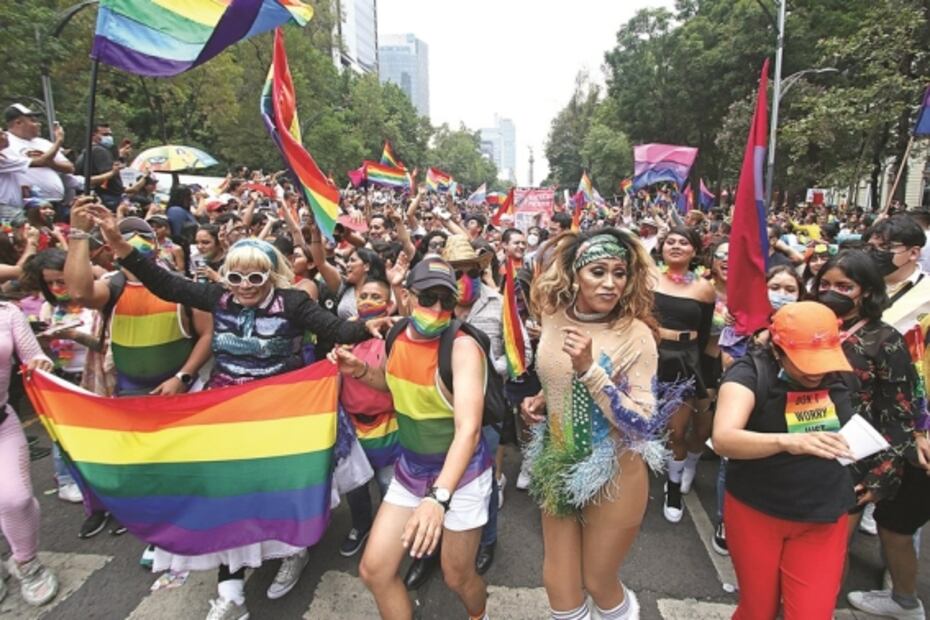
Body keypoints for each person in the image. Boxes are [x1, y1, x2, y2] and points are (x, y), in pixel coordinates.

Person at [87, 202, 392, 619]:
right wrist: (120, 244)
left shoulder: (292, 303)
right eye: (235, 277)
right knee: (225, 499)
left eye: (255, 277)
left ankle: (293, 553)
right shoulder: (219, 297)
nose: (245, 286)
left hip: (284, 415)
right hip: (230, 416)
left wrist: (365, 327)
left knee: (285, 496)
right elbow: (163, 283)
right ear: (225, 278)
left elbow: (336, 328)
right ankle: (231, 595)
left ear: (270, 276)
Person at [521, 229, 674, 620]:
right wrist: (544, 398)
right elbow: (556, 374)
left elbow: (641, 422)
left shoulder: (636, 334)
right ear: (574, 275)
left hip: (615, 473)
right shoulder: (553, 315)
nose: (610, 283)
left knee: (599, 581)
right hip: (558, 461)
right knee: (559, 585)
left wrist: (591, 370)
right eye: (598, 272)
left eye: (619, 273)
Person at [332, 256, 493, 620]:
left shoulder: (463, 348)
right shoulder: (394, 334)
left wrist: (438, 500)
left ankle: (478, 614)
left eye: (447, 301)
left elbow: (468, 429)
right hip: (411, 471)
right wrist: (359, 369)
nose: (437, 309)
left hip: (462, 478)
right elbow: (393, 386)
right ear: (407, 295)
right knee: (374, 571)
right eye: (428, 297)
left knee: (458, 577)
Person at [713, 301, 857, 620]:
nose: (815, 372)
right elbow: (724, 437)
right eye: (804, 361)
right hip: (757, 510)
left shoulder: (841, 376)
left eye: (823, 361)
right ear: (778, 349)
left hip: (823, 515)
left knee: (812, 614)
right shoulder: (749, 372)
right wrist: (787, 442)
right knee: (758, 610)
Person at [846, 216, 930, 619]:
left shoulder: (927, 295)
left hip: (908, 420)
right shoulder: (861, 285)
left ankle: (901, 596)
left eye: (887, 245)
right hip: (858, 417)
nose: (877, 251)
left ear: (914, 252)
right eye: (872, 242)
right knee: (848, 502)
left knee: (898, 517)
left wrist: (920, 426)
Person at [813, 251, 919, 542]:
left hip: (850, 459)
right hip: (799, 447)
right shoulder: (807, 326)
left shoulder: (885, 340)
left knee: (829, 550)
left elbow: (899, 412)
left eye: (844, 287)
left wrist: (882, 474)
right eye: (825, 284)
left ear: (868, 291)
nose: (831, 293)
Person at [0, 301, 59, 606]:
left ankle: (27, 563)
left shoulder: (7, 312)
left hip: (3, 424)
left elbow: (33, 354)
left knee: (15, 498)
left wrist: (40, 363)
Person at [654, 226, 715, 522]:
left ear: (694, 251)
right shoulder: (647, 279)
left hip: (683, 362)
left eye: (683, 242)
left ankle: (674, 485)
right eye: (670, 241)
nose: (676, 246)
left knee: (677, 430)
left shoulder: (704, 288)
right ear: (662, 247)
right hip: (649, 358)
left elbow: (703, 336)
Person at [339, 276, 400, 559]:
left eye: (376, 297)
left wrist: (358, 367)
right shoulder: (345, 332)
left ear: (389, 304)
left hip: (387, 426)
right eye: (363, 295)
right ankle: (362, 526)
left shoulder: (394, 335)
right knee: (356, 485)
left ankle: (392, 538)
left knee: (390, 486)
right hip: (351, 425)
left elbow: (388, 384)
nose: (367, 301)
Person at [2, 104, 73, 208]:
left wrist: (51, 163)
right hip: (27, 204)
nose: (38, 124)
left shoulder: (43, 143)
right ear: (18, 122)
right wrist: (59, 140)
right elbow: (40, 161)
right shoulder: (5, 143)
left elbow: (70, 167)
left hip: (55, 202)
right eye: (33, 121)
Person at [75, 123, 130, 210]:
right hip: (108, 197)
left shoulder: (86, 151)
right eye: (105, 134)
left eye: (110, 134)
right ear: (93, 135)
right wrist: (113, 172)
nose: (109, 137)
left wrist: (120, 156)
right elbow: (109, 175)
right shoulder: (99, 151)